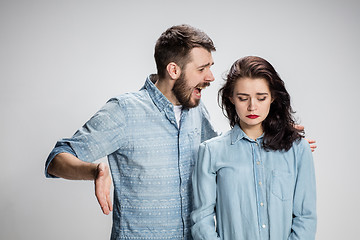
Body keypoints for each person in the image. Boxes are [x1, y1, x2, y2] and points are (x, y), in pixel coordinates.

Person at [45, 24, 218, 239]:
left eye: (210, 67)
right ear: (174, 70)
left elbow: (218, 159)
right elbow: (56, 160)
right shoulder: (124, 110)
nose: (210, 77)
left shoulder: (196, 109)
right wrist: (95, 171)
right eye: (202, 69)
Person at [191, 56, 317, 240]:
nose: (252, 107)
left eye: (261, 98)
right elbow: (201, 220)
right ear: (231, 98)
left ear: (272, 97)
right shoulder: (211, 152)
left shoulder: (298, 149)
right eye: (243, 98)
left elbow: (306, 217)